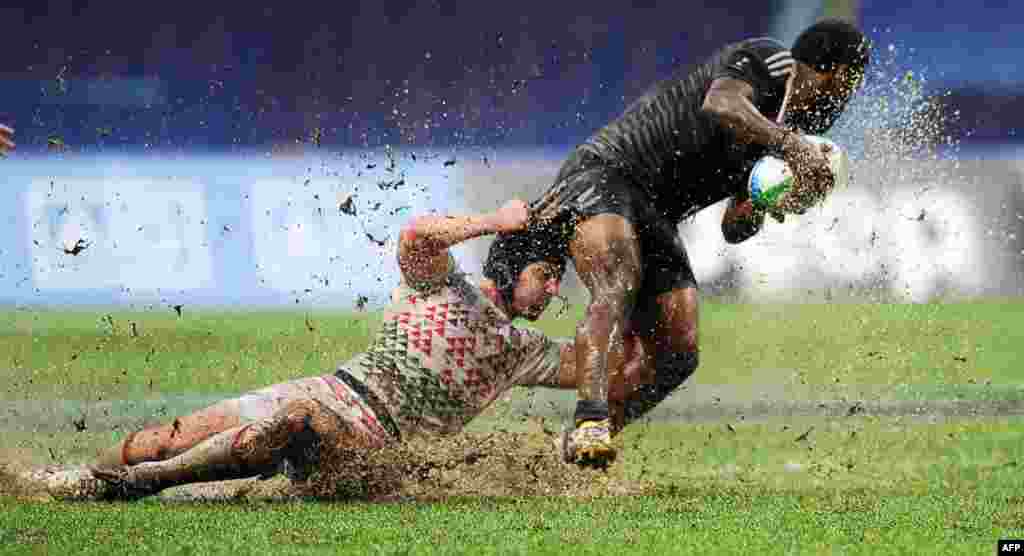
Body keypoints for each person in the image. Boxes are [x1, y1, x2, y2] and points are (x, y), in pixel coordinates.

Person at [19, 200, 652, 500]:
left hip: (375, 448)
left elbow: (608, 368)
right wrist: (494, 221)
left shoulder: (524, 351)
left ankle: (140, 487)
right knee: (173, 432)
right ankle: (72, 480)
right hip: (332, 388)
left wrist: (627, 296)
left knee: (293, 423)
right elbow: (416, 234)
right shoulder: (440, 285)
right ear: (513, 266)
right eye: (547, 275)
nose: (552, 290)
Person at [484, 19, 871, 466]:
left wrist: (772, 197)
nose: (851, 94)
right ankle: (590, 416)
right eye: (853, 81)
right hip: (611, 170)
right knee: (618, 279)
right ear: (838, 73)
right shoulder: (770, 61)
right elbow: (720, 102)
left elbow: (734, 227)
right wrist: (792, 147)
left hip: (655, 213)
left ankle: (571, 451)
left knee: (679, 350)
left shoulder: (793, 131)